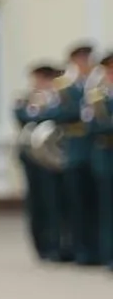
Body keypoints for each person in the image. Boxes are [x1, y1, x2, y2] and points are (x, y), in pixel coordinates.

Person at [15, 62, 67, 261]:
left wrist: (45, 110)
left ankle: (57, 246)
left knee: (54, 203)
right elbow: (20, 116)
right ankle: (41, 246)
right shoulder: (25, 99)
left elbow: (63, 116)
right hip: (31, 159)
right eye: (36, 79)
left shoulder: (59, 99)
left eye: (42, 79)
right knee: (36, 205)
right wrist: (38, 109)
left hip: (52, 160)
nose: (38, 83)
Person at [58, 42, 102, 264]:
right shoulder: (65, 86)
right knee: (77, 204)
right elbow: (65, 113)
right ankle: (80, 250)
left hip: (95, 151)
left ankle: (98, 250)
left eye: (88, 59)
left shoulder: (97, 85)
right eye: (81, 59)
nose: (85, 63)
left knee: (97, 205)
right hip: (75, 151)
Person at [87, 52, 113, 272]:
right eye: (110, 70)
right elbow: (93, 126)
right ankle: (109, 256)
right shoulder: (96, 97)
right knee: (108, 210)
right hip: (107, 157)